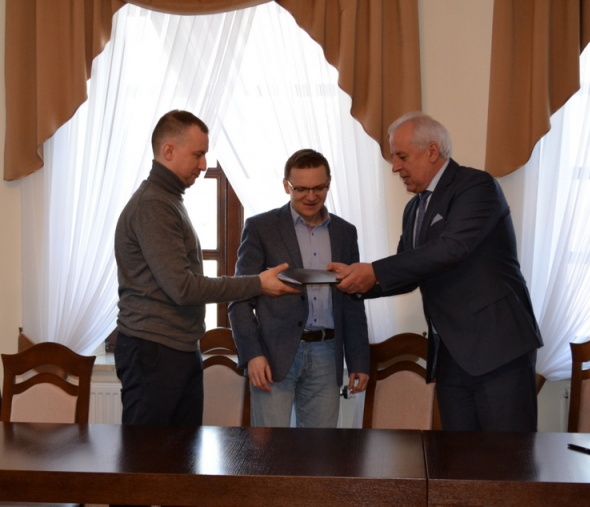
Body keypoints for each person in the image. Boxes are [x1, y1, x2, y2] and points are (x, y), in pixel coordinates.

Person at [329, 112, 543, 432]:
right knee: (457, 457)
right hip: (450, 357)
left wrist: (373, 270)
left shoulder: (476, 186)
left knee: (508, 456)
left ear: (432, 151)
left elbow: (451, 248)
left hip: (497, 350)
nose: (395, 167)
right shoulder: (414, 208)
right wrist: (353, 283)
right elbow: (407, 271)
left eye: (402, 156)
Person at [114, 109, 299, 428]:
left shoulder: (167, 200)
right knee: (151, 455)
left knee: (180, 451)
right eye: (198, 154)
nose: (203, 165)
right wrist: (257, 283)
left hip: (171, 349)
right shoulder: (154, 205)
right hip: (155, 351)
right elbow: (183, 288)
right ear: (168, 150)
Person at [228, 149, 370, 428]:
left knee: (320, 451)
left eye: (319, 188)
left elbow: (352, 299)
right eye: (301, 189)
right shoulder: (260, 228)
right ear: (286, 186)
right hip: (272, 355)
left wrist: (358, 360)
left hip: (327, 354)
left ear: (328, 183)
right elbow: (239, 297)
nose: (311, 196)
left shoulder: (345, 232)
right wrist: (252, 354)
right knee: (268, 449)